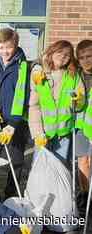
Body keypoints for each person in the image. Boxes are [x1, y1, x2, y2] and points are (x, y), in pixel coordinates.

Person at [29, 40, 83, 163]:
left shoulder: (73, 76)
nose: (63, 57)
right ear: (52, 52)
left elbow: (79, 105)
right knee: (40, 168)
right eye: (59, 52)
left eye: (67, 55)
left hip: (63, 133)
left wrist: (79, 100)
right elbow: (34, 107)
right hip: (43, 132)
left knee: (60, 169)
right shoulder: (39, 73)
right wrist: (37, 132)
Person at [0, 28, 31, 199]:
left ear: (16, 46)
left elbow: (24, 95)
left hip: (16, 123)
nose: (4, 51)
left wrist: (14, 124)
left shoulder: (23, 67)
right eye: (1, 47)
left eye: (8, 47)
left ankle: (11, 195)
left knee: (15, 162)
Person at [73, 39, 92, 214]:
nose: (86, 60)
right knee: (83, 162)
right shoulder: (76, 75)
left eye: (89, 56)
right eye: (82, 57)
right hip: (80, 126)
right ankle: (84, 194)